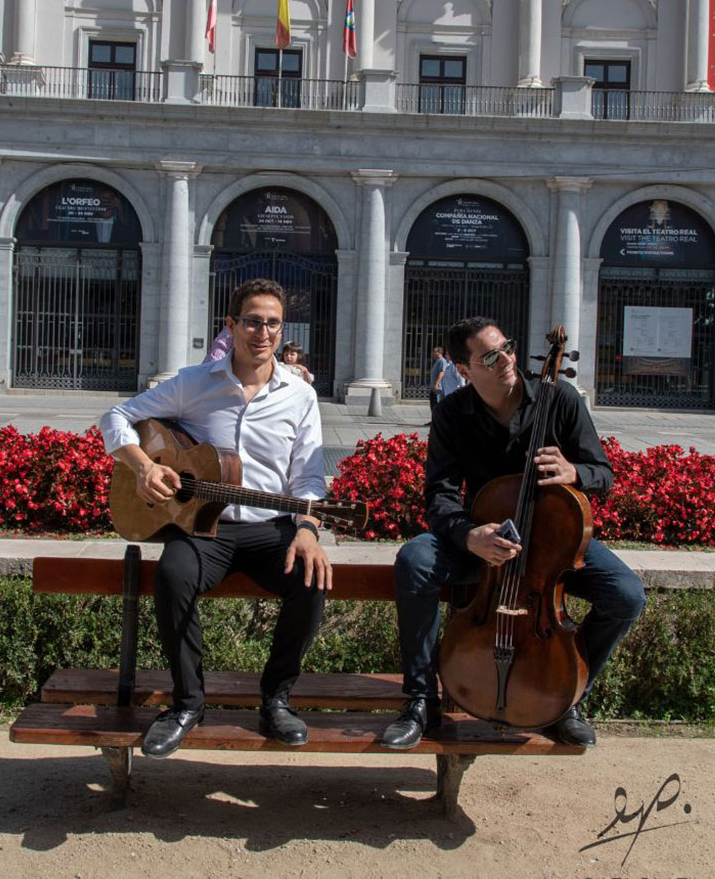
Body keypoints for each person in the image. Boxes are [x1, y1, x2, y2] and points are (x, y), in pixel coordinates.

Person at [382, 316, 646, 751]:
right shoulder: (452, 413)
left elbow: (603, 473)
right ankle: (420, 701)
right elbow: (439, 497)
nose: (505, 358)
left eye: (507, 346)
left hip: (552, 545)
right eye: (489, 355)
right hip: (483, 542)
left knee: (626, 594)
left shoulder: (558, 397)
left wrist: (574, 471)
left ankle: (566, 698)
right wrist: (469, 536)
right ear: (463, 369)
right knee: (415, 561)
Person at [99, 278, 330, 758]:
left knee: (312, 579)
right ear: (231, 325)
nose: (261, 333)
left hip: (272, 528)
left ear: (281, 329)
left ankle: (276, 699)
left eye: (272, 323)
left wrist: (307, 531)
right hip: (205, 525)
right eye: (251, 321)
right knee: (173, 574)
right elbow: (116, 417)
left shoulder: (300, 396)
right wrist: (143, 467)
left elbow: (308, 478)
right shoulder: (193, 383)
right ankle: (187, 705)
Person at [428, 346, 445, 412]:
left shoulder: (442, 361)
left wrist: (436, 384)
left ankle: (436, 421)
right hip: (433, 388)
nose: (432, 353)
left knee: (436, 406)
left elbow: (441, 372)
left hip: (437, 389)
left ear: (439, 352)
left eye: (434, 351)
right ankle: (434, 421)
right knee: (433, 406)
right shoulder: (438, 361)